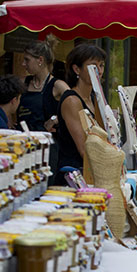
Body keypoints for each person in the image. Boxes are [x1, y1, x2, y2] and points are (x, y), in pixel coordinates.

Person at [54, 43, 107, 183]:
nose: (99, 71)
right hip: (72, 177)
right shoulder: (72, 100)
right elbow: (84, 149)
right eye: (93, 66)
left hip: (89, 174)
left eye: (101, 65)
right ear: (77, 69)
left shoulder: (94, 98)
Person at [18, 39, 69, 173]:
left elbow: (77, 107)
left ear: (40, 60)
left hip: (46, 149)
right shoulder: (23, 83)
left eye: (27, 60)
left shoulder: (57, 86)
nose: (23, 64)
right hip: (23, 145)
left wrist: (54, 119)